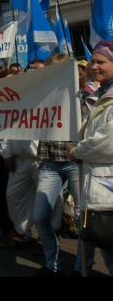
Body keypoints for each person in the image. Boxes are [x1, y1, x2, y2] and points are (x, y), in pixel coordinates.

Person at [31, 53, 88, 276]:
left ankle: (81, 267)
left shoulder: (83, 99)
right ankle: (53, 266)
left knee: (81, 218)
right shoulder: (43, 99)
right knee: (40, 216)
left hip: (76, 163)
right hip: (50, 161)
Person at [70, 40, 113, 276]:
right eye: (92, 62)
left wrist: (76, 151)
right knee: (108, 249)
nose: (95, 66)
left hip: (109, 185)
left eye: (102, 62)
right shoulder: (101, 94)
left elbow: (106, 142)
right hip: (101, 184)